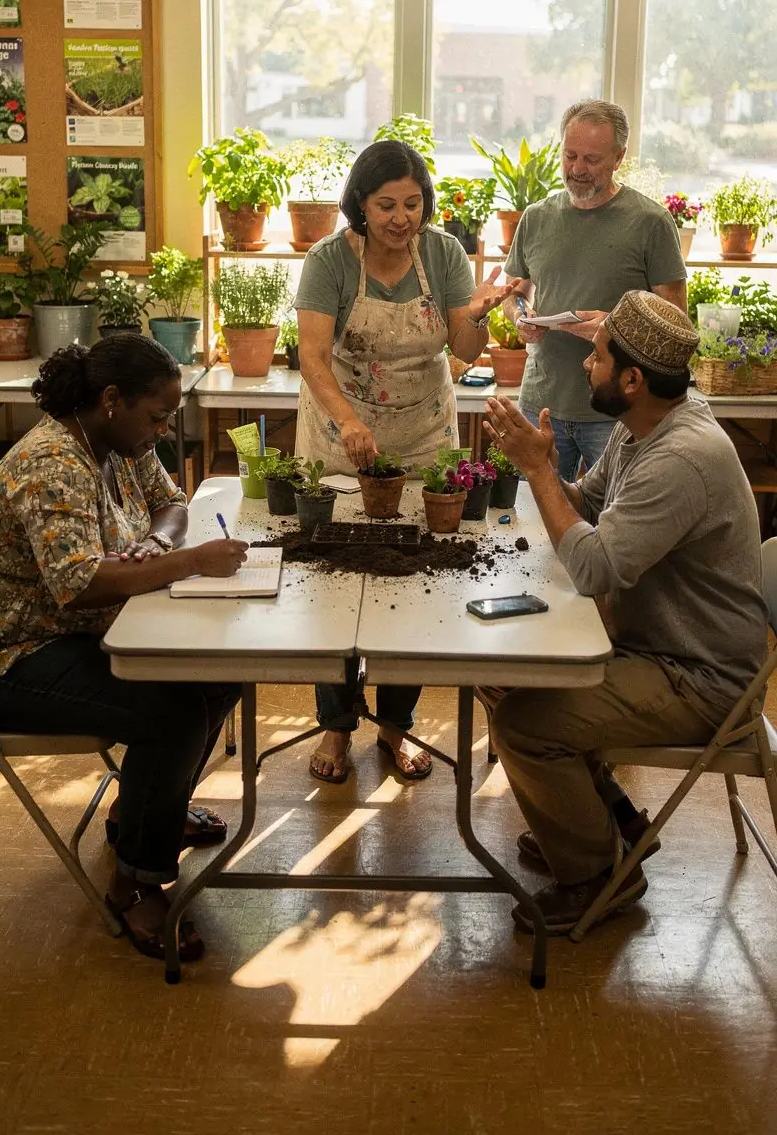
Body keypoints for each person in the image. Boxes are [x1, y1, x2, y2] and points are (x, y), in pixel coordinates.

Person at [483, 291, 768, 935]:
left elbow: (593, 568)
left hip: (701, 678)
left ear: (633, 380)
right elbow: (588, 506)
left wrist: (537, 474)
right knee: (500, 670)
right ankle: (613, 820)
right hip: (657, 649)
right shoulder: (645, 425)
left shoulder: (680, 458)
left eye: (599, 356)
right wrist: (549, 465)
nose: (587, 366)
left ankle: (597, 877)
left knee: (528, 722)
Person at [0, 335, 249, 963]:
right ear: (112, 399)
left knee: (224, 673)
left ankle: (142, 815)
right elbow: (78, 584)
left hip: (85, 634)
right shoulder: (53, 463)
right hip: (10, 658)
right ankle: (138, 881)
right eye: (157, 415)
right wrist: (185, 562)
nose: (164, 427)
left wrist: (153, 541)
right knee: (171, 714)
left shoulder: (119, 442)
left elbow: (172, 502)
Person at [295, 138, 507, 783]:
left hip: (421, 432)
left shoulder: (441, 253)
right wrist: (351, 420)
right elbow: (311, 355)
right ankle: (335, 728)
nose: (400, 217)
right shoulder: (330, 259)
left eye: (412, 204)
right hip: (341, 432)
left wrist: (477, 316)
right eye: (386, 204)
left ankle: (395, 727)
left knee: (417, 581)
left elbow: (466, 348)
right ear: (360, 202)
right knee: (334, 582)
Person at [499, 99, 687, 481]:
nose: (577, 170)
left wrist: (611, 327)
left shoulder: (651, 222)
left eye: (591, 159)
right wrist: (520, 316)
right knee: (528, 523)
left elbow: (678, 322)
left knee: (612, 525)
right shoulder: (536, 217)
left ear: (618, 157)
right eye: (570, 156)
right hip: (541, 403)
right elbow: (514, 293)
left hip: (617, 412)